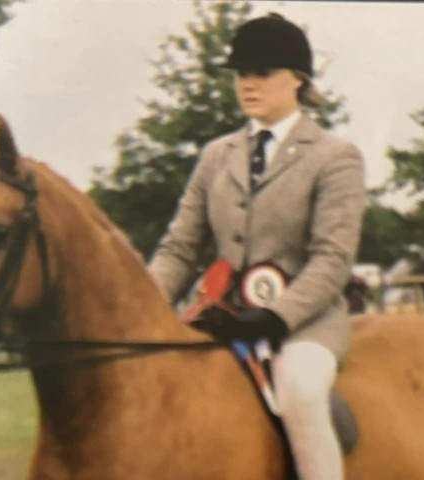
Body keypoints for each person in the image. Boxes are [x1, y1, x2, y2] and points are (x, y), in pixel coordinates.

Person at [148, 13, 365, 480]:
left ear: (297, 81)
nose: (248, 84)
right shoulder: (215, 156)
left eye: (262, 73)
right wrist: (143, 307)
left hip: (304, 325)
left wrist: (277, 316)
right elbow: (179, 249)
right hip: (222, 317)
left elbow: (333, 259)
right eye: (242, 74)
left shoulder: (334, 156)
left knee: (301, 391)